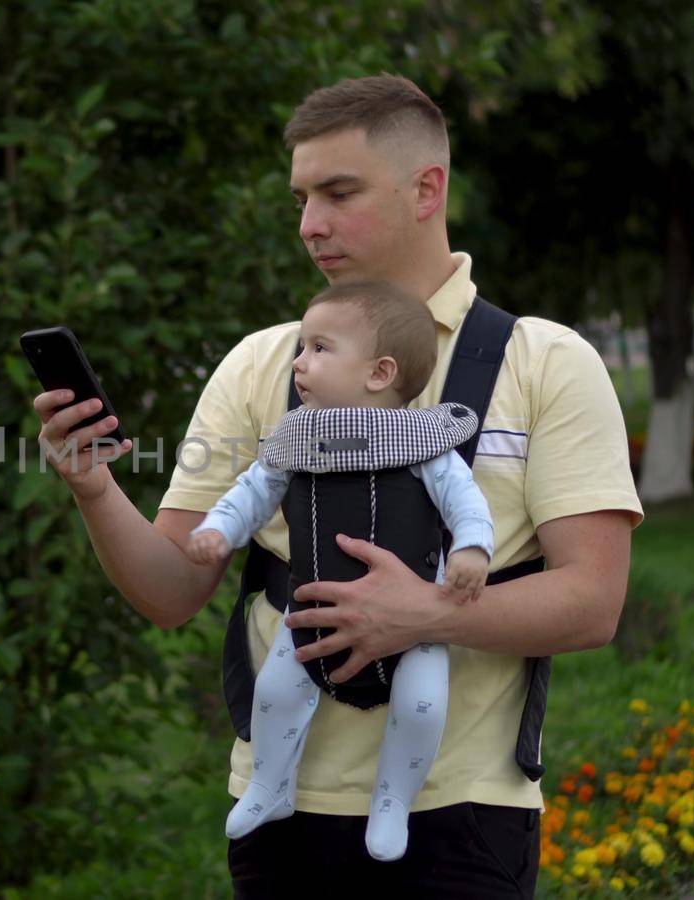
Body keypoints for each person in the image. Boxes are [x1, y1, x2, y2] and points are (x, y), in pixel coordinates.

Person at [30, 74, 642, 896]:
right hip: (279, 820)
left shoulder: (545, 364)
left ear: (427, 188)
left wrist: (423, 613)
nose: (310, 225)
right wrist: (95, 490)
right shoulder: (262, 365)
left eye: (338, 192)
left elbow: (593, 601)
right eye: (300, 198)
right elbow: (173, 591)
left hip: (463, 819)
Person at [185, 280, 495, 862]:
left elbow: (466, 503)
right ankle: (271, 784)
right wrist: (218, 531)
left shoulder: (425, 439)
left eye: (319, 348)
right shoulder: (295, 438)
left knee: (423, 703)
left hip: (417, 618)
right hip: (313, 608)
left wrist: (473, 550)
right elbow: (250, 493)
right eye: (301, 348)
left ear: (379, 373)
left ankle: (392, 799)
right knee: (275, 691)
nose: (299, 363)